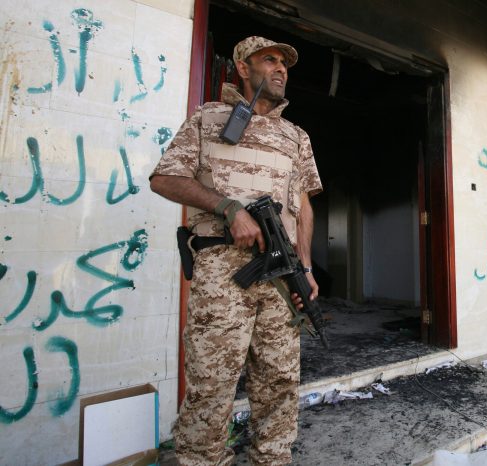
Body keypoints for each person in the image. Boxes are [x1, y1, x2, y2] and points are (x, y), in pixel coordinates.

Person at [149, 35, 322, 466]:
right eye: (270, 60)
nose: (281, 68)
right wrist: (228, 208)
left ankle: (271, 458)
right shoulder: (208, 119)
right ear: (243, 68)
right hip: (222, 272)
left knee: (280, 380)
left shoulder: (295, 136)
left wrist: (305, 266)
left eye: (285, 63)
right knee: (212, 383)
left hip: (281, 277)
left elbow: (302, 206)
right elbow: (165, 178)